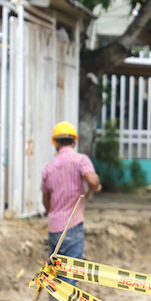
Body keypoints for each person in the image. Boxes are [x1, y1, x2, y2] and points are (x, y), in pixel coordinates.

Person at [41, 121, 101, 284]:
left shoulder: (49, 167)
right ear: (74, 141)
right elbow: (92, 181)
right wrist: (95, 185)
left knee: (54, 272)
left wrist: (53, 214)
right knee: (70, 274)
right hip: (72, 225)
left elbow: (45, 201)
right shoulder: (80, 160)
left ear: (55, 143)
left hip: (54, 226)